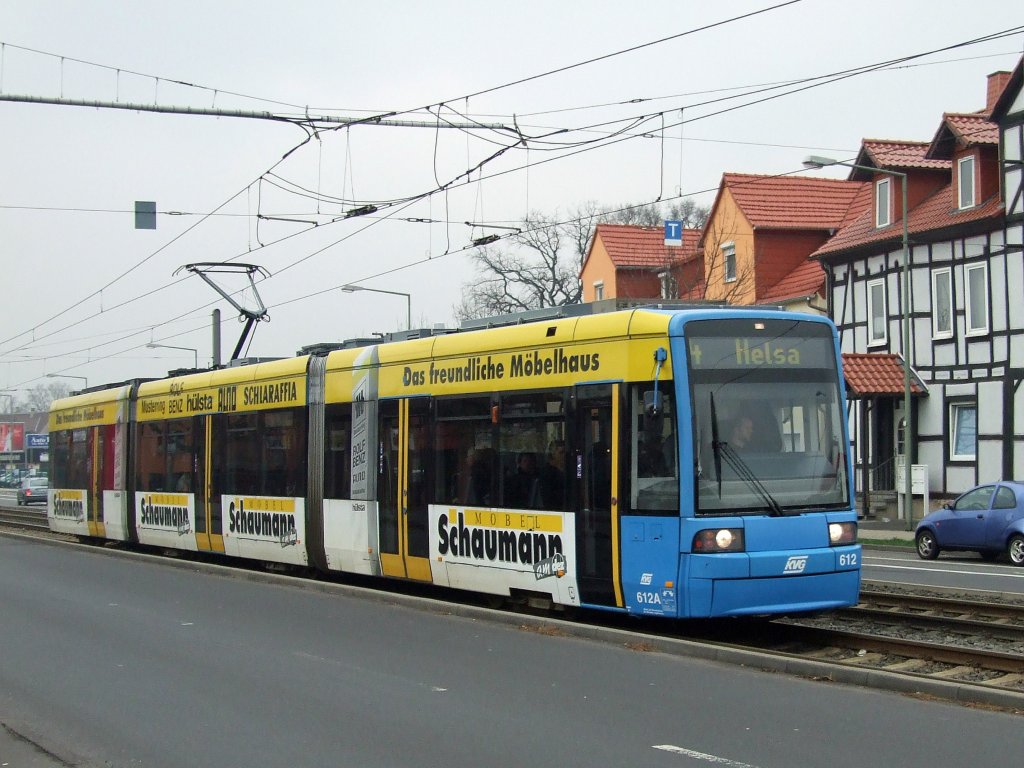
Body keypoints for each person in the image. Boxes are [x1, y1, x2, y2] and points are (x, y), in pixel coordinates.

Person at [539, 439, 566, 509]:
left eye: (565, 452)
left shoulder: (569, 470)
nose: (564, 456)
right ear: (553, 454)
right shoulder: (546, 473)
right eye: (561, 452)